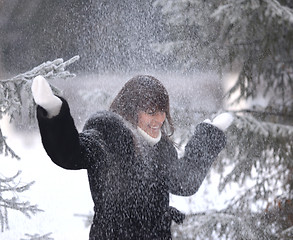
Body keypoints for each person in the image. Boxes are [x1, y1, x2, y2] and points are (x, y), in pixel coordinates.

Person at [31, 75, 233, 240]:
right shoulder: (108, 133)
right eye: (151, 111)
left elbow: (184, 182)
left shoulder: (160, 148)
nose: (160, 118)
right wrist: (53, 113)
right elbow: (69, 153)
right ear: (131, 109)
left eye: (162, 111)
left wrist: (209, 136)